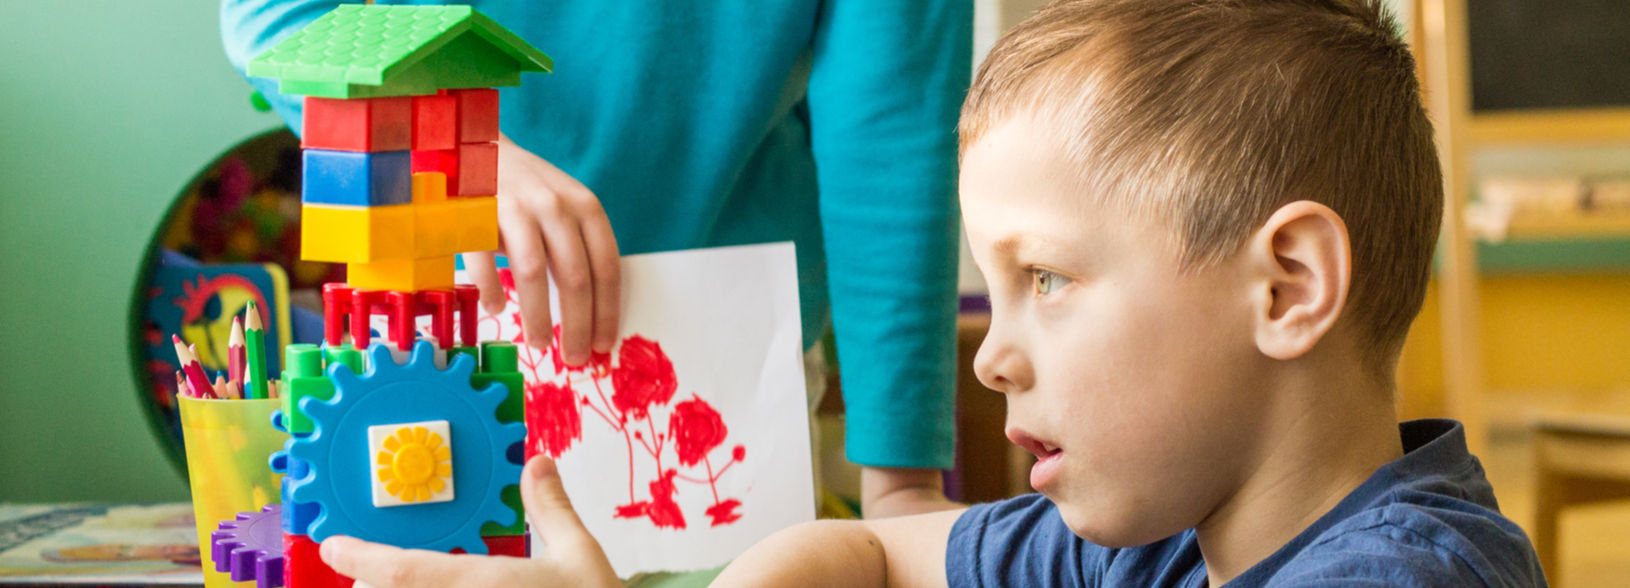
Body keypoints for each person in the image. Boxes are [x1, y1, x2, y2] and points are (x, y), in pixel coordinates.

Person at [312, 0, 1550, 585]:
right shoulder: (1159, 540)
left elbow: (884, 130)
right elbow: (859, 556)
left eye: (1046, 280)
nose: (991, 361)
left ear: (1287, 287)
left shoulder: (1401, 577)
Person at [221, 0, 970, 519]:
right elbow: (276, 15)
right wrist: (446, 147)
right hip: (444, 337)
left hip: (735, 362)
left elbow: (893, 133)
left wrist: (900, 479)